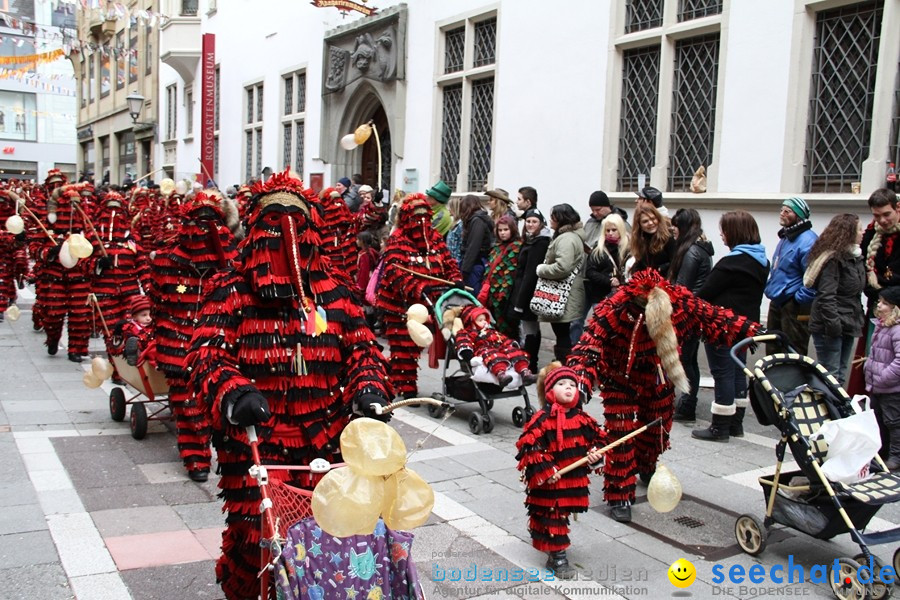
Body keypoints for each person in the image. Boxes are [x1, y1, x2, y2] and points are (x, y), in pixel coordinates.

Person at [186, 171, 394, 600]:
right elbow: (207, 354)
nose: (286, 235)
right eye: (273, 221)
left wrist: (368, 388)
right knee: (254, 542)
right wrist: (234, 390)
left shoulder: (334, 291)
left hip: (325, 440)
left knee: (329, 538)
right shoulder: (231, 290)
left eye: (295, 221)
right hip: (255, 443)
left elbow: (363, 351)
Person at [569, 269, 761, 523]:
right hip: (618, 376)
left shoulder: (681, 301)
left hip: (658, 375)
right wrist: (580, 378)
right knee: (621, 433)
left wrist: (749, 330)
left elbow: (713, 316)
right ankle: (619, 494)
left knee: (657, 428)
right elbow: (591, 341)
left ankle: (647, 465)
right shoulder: (615, 306)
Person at [515, 363, 607, 579]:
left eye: (572, 384)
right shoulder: (542, 419)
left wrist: (595, 453)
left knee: (561, 514)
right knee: (552, 513)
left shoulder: (583, 418)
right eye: (562, 383)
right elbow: (529, 445)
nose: (568, 388)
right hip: (551, 480)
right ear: (549, 390)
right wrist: (547, 468)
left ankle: (553, 543)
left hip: (573, 479)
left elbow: (600, 439)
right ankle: (557, 557)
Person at [689, 211, 769, 438]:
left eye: (724, 230)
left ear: (735, 232)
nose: (721, 235)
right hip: (746, 327)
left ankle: (720, 426)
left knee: (722, 373)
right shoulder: (761, 261)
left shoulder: (732, 262)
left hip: (723, 327)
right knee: (737, 372)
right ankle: (736, 424)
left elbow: (705, 293)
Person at [375, 193, 462, 398]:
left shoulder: (434, 237)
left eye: (425, 217)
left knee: (415, 345)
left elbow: (448, 261)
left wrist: (456, 278)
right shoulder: (397, 239)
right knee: (403, 344)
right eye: (416, 217)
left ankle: (394, 375)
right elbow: (396, 272)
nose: (421, 223)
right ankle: (406, 388)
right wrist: (418, 286)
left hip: (428, 302)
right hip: (399, 304)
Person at [794, 213, 865, 386]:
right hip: (830, 326)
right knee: (831, 375)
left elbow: (855, 293)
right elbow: (827, 296)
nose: (863, 233)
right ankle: (829, 411)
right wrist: (834, 326)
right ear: (848, 232)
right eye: (859, 229)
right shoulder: (833, 260)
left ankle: (837, 412)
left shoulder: (855, 258)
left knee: (840, 374)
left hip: (847, 322)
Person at [668, 208, 713, 425]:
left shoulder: (692, 252)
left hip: (687, 315)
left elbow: (682, 289)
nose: (672, 229)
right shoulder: (698, 248)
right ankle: (687, 402)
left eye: (675, 225)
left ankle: (687, 404)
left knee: (686, 360)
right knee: (689, 359)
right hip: (693, 313)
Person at [764, 197, 817, 355]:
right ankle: (773, 378)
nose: (782, 214)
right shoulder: (787, 237)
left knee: (794, 347)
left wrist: (798, 299)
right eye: (781, 210)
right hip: (779, 299)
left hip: (793, 303)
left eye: (787, 211)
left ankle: (794, 378)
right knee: (773, 345)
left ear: (798, 215)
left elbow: (813, 276)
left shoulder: (808, 240)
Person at [536, 204, 587, 361]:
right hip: (566, 292)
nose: (550, 220)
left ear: (560, 219)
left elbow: (562, 267)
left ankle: (564, 365)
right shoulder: (568, 236)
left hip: (563, 293)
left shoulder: (567, 239)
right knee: (562, 331)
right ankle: (562, 363)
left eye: (553, 217)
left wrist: (542, 269)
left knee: (562, 331)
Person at [509, 208, 552, 371]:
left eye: (534, 222)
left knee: (530, 329)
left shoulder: (540, 242)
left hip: (529, 292)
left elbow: (530, 273)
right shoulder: (530, 239)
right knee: (530, 328)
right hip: (524, 290)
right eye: (528, 221)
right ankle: (529, 362)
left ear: (541, 223)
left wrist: (520, 301)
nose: (531, 224)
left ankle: (530, 363)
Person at [455, 306, 536, 387]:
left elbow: (502, 339)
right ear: (471, 322)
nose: (484, 322)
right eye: (480, 320)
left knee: (514, 352)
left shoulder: (491, 331)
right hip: (483, 349)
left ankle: (525, 372)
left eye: (485, 320)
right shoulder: (466, 333)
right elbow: (464, 342)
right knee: (493, 355)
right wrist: (469, 356)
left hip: (499, 347)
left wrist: (511, 344)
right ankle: (501, 374)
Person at [865, 287, 900, 471]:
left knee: (894, 423)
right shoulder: (883, 326)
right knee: (879, 421)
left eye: (885, 303)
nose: (879, 305)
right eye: (880, 301)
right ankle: (882, 453)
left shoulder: (897, 330)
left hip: (891, 388)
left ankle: (896, 456)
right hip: (878, 386)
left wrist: (883, 377)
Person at [478, 214, 522, 339]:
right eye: (500, 230)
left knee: (508, 327)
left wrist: (504, 292)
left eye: (506, 230)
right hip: (492, 293)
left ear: (512, 229)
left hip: (507, 296)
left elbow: (512, 272)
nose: (503, 233)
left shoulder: (517, 247)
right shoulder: (496, 247)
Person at [584, 213, 630, 305]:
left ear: (620, 230)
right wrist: (608, 280)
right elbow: (590, 271)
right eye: (607, 230)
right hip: (601, 296)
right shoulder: (598, 248)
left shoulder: (629, 247)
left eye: (614, 230)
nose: (610, 233)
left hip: (624, 295)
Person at [458, 194, 493, 294]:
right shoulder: (478, 219)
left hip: (475, 265)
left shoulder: (477, 221)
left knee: (472, 293)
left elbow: (473, 247)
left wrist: (465, 271)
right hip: (475, 263)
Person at [630, 204, 675, 277]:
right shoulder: (640, 240)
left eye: (653, 219)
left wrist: (660, 268)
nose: (650, 223)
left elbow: (675, 262)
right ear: (639, 225)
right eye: (645, 221)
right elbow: (640, 263)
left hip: (665, 282)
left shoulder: (668, 237)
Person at [122, 294, 156, 367]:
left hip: (153, 344)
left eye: (150, 314)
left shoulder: (153, 324)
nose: (148, 318)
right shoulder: (133, 327)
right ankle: (134, 354)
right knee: (152, 350)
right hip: (144, 347)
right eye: (144, 315)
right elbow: (128, 335)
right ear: (135, 317)